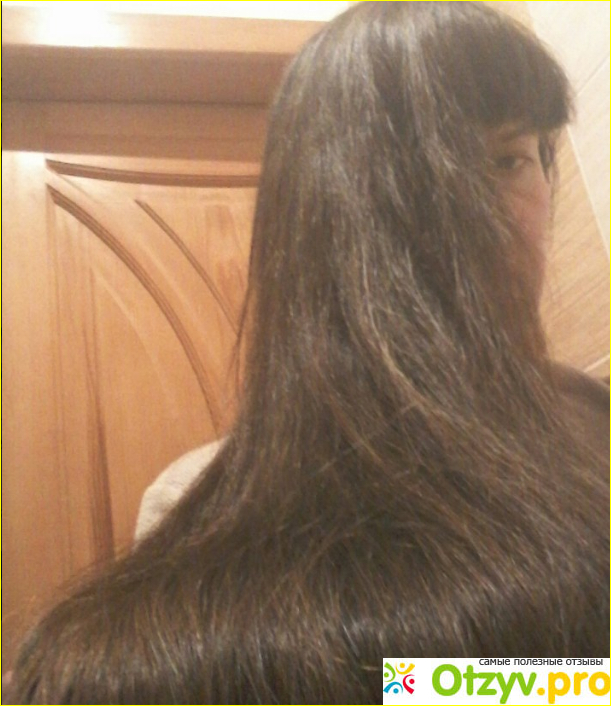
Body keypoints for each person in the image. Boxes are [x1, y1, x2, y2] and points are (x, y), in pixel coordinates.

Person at [8, 2, 609, 703]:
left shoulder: (594, 426)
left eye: (509, 159)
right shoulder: (195, 508)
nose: (474, 213)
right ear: (321, 213)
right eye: (414, 171)